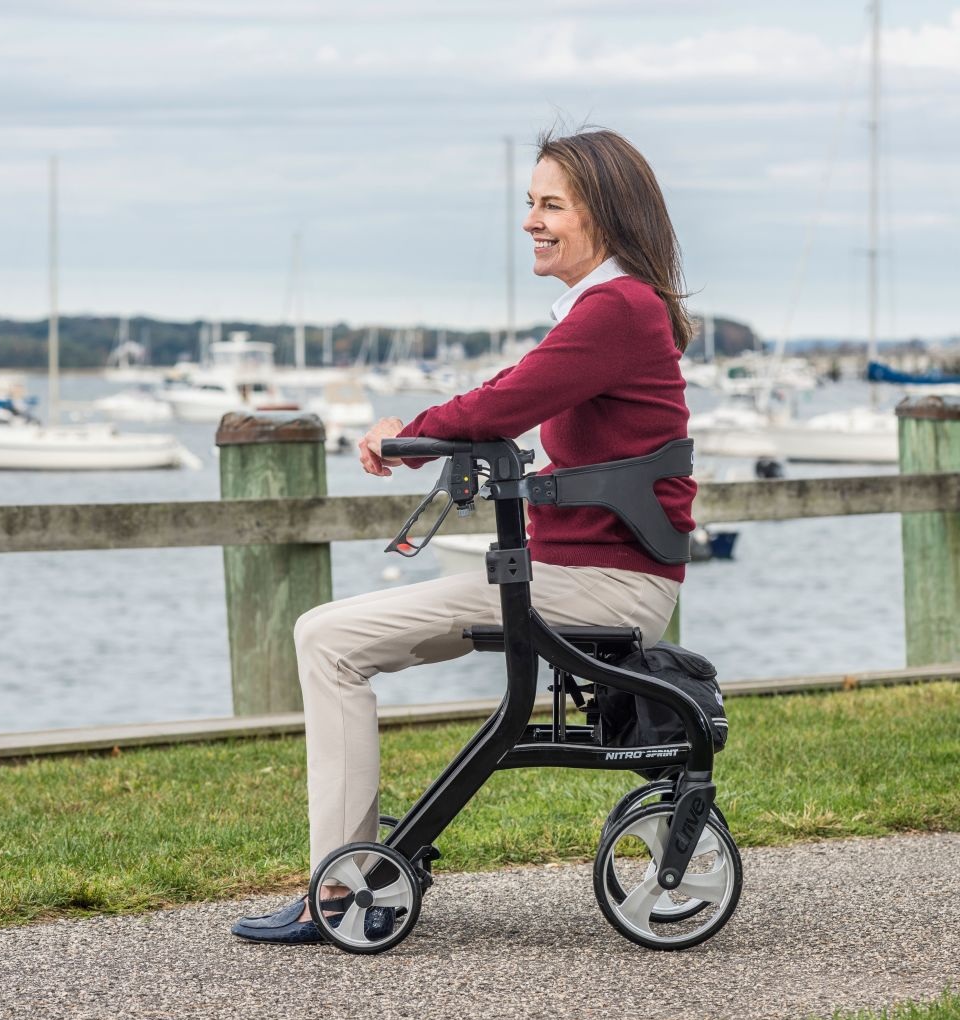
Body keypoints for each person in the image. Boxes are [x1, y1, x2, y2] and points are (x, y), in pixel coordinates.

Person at [231, 127, 697, 945]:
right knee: (331, 636)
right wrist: (429, 433)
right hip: (586, 577)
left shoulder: (617, 308)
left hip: (599, 586)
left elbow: (504, 403)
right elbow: (512, 390)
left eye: (551, 205)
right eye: (530, 203)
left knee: (326, 639)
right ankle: (352, 872)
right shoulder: (612, 308)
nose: (531, 221)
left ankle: (338, 889)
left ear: (606, 215)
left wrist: (405, 438)